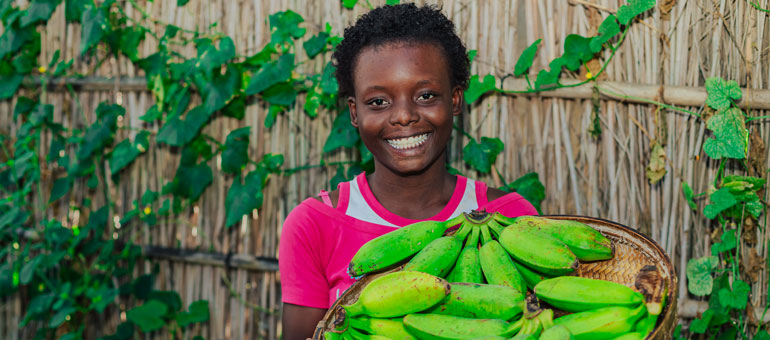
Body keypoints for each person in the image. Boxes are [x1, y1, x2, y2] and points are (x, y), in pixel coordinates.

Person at [278, 4, 538, 340]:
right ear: (354, 113)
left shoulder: (511, 218)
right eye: (378, 102)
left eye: (426, 95)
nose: (403, 116)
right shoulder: (315, 225)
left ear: (456, 100)